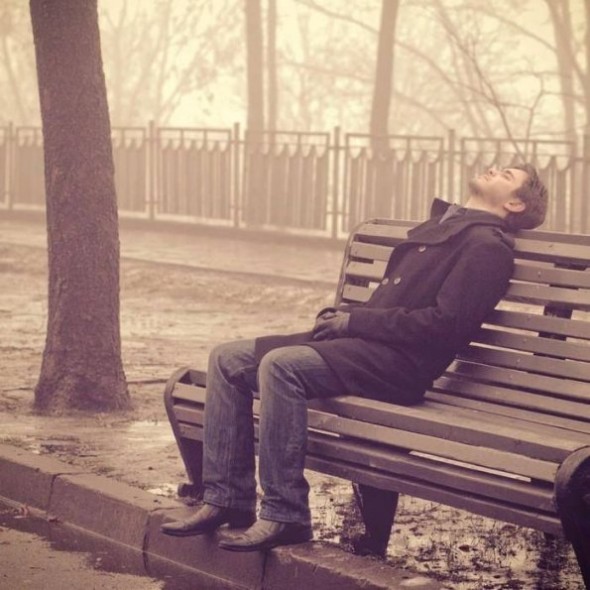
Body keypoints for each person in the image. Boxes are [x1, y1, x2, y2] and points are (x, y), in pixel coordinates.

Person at [161, 164, 548, 553]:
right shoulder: (450, 228)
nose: (493, 168)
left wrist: (355, 321)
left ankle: (285, 514)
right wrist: (344, 318)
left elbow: (445, 326)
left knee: (280, 366)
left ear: (515, 204)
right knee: (226, 359)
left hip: (399, 366)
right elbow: (396, 303)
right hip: (367, 348)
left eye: (507, 174)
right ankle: (227, 499)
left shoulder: (486, 248)